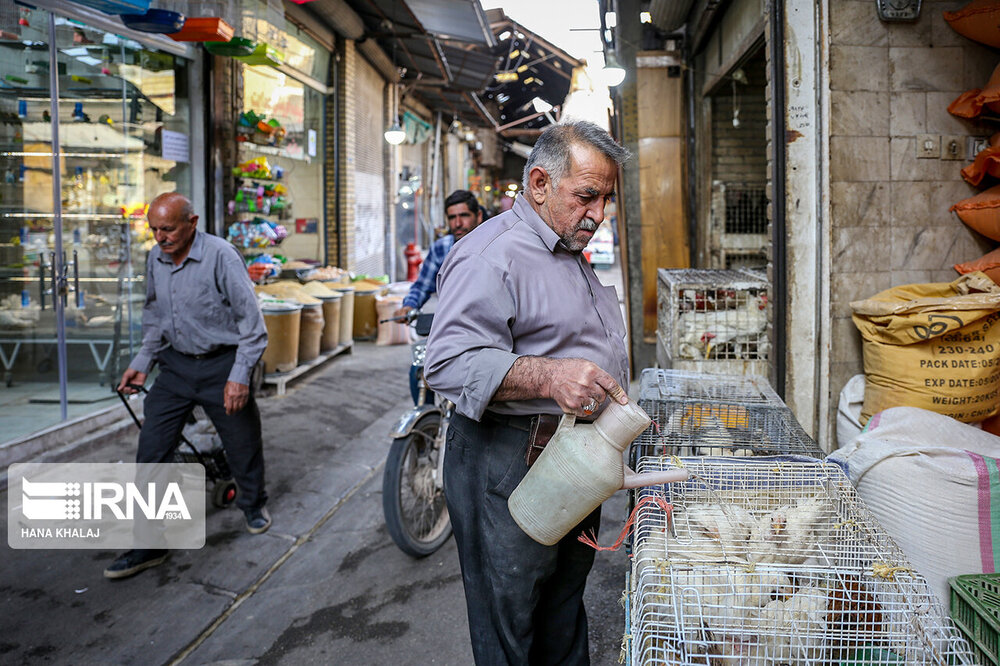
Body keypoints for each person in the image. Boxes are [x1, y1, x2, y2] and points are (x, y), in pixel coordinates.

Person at [424, 120, 631, 664]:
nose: (600, 214)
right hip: (509, 458)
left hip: (570, 457)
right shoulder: (490, 254)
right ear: (539, 183)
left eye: (607, 198)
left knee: (562, 604)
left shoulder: (565, 247)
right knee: (508, 618)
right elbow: (448, 362)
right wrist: (549, 376)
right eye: (587, 196)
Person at [105, 192, 270, 580]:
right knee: (151, 451)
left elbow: (253, 326)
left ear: (192, 223)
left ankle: (253, 504)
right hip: (176, 368)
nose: (160, 237)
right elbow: (154, 314)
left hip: (222, 364)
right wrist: (142, 363)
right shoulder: (155, 258)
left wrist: (239, 376)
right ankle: (149, 544)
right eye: (154, 230)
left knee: (242, 441)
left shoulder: (221, 256)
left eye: (168, 229)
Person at [393, 189, 484, 319]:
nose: (458, 223)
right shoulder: (441, 248)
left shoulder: (494, 246)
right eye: (452, 217)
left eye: (464, 215)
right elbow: (423, 286)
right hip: (451, 324)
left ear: (478, 216)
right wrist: (409, 306)